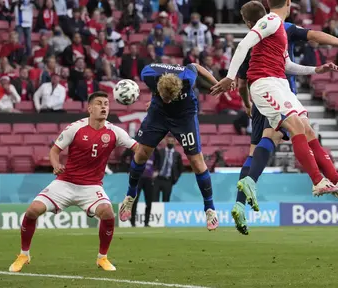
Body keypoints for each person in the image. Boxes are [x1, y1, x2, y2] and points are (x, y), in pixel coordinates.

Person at [210, 0, 338, 234]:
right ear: (288, 3)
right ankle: (318, 181)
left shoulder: (278, 27)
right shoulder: (269, 21)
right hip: (266, 85)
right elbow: (242, 45)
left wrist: (315, 70)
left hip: (279, 83)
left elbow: (286, 63)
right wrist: (229, 76)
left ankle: (333, 181)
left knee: (306, 129)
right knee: (294, 126)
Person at [8, 91, 138, 273]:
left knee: (108, 214)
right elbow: (54, 151)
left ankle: (103, 258)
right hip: (65, 182)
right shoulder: (75, 128)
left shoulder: (115, 132)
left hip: (92, 186)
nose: (104, 107)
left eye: (106, 104)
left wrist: (148, 136)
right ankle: (23, 254)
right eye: (99, 103)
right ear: (90, 108)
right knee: (32, 211)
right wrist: (55, 165)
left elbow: (138, 149)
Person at [119, 62, 220, 231]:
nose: (167, 99)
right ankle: (130, 195)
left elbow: (196, 65)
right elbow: (157, 92)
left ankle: (209, 208)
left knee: (197, 162)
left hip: (184, 116)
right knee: (142, 153)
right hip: (158, 114)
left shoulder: (188, 78)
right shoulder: (148, 74)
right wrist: (155, 100)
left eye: (169, 98)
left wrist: (216, 83)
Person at [130, 150, 158, 227]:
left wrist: (156, 170)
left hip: (149, 179)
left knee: (149, 201)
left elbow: (158, 161)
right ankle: (132, 222)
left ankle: (146, 222)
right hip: (138, 178)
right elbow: (131, 159)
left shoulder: (154, 151)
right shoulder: (138, 148)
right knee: (135, 200)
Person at [153, 135, 183, 202]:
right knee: (154, 199)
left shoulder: (177, 155)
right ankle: (154, 212)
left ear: (175, 143)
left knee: (166, 200)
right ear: (166, 142)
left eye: (172, 141)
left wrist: (175, 178)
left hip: (168, 180)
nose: (170, 143)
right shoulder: (160, 152)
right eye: (169, 141)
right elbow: (154, 163)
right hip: (157, 178)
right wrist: (154, 172)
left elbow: (180, 169)